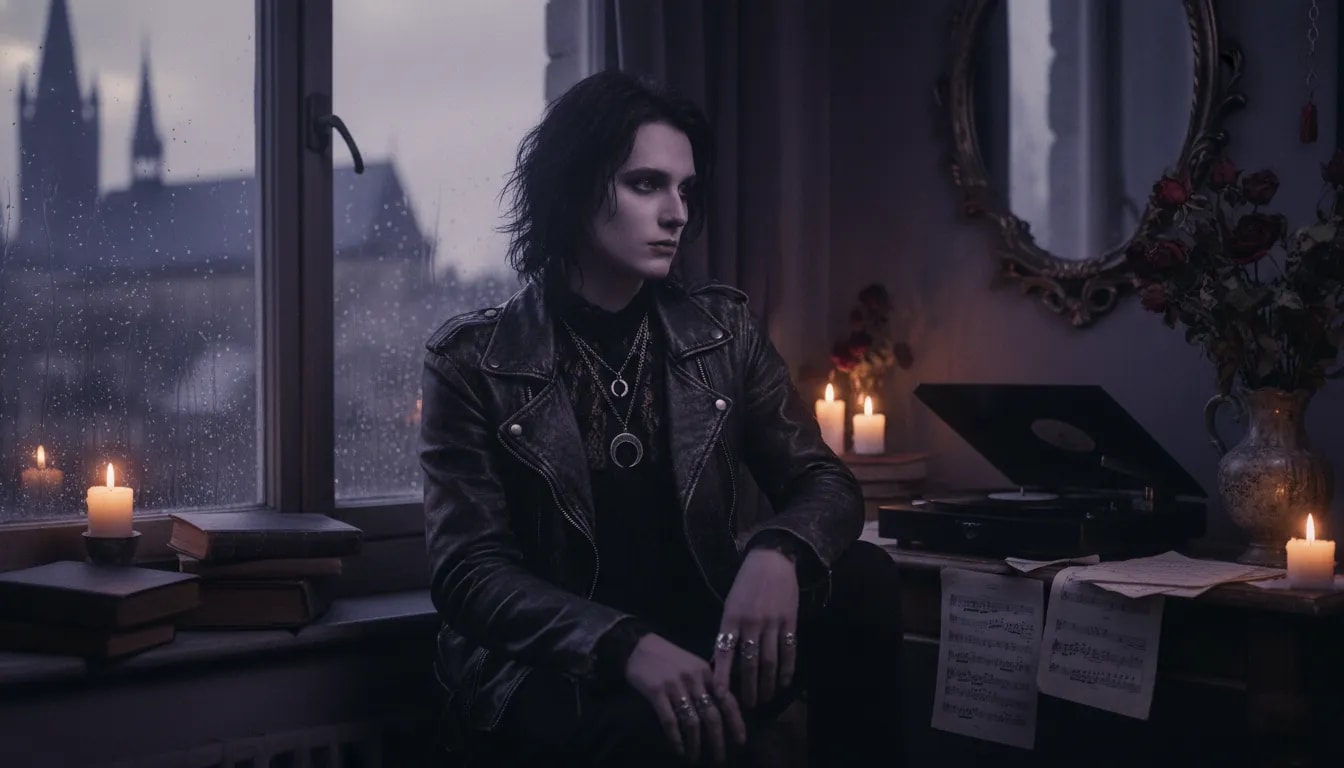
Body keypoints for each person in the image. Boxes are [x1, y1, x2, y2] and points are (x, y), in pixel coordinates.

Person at [420, 68, 903, 767]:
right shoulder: (472, 359)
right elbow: (470, 573)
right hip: (557, 666)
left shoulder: (721, 330)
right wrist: (622, 646)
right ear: (574, 188)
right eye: (646, 184)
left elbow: (824, 483)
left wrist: (780, 550)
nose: (676, 212)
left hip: (700, 627)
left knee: (864, 580)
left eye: (684, 189)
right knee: (644, 735)